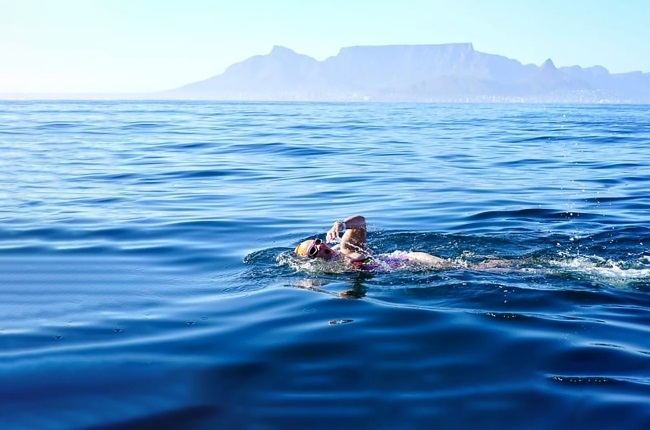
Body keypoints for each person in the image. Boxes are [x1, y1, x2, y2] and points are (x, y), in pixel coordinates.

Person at [294, 215, 451, 270]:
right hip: (401, 272)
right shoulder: (330, 270)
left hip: (408, 259)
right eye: (313, 251)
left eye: (317, 242)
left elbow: (361, 222)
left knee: (460, 269)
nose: (319, 246)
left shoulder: (346, 248)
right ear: (313, 260)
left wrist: (340, 224)